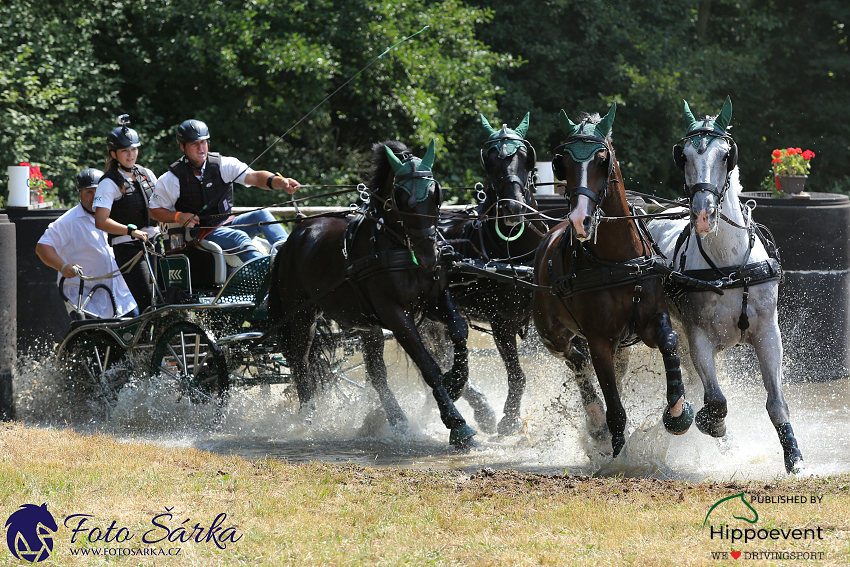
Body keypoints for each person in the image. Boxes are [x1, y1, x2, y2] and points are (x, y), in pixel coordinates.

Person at [148, 119, 299, 266]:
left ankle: (293, 259)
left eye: (204, 142)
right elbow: (154, 211)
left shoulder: (224, 165)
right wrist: (178, 216)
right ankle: (270, 274)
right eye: (195, 144)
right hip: (199, 233)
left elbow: (255, 177)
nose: (201, 148)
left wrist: (281, 182)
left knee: (263, 215)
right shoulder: (171, 179)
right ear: (183, 147)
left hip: (227, 223)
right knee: (239, 237)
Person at [35, 168, 137, 319]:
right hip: (85, 297)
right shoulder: (68, 221)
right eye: (89, 192)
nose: (94, 196)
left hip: (121, 296)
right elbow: (42, 247)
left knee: (138, 335)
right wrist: (63, 267)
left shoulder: (116, 215)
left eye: (97, 191)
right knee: (93, 339)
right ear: (80, 194)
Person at [94, 115, 160, 313]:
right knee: (148, 302)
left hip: (154, 244)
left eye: (134, 149)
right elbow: (101, 221)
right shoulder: (108, 183)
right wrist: (131, 231)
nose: (131, 155)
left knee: (169, 297)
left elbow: (161, 205)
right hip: (128, 248)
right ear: (114, 154)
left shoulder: (147, 173)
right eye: (125, 151)